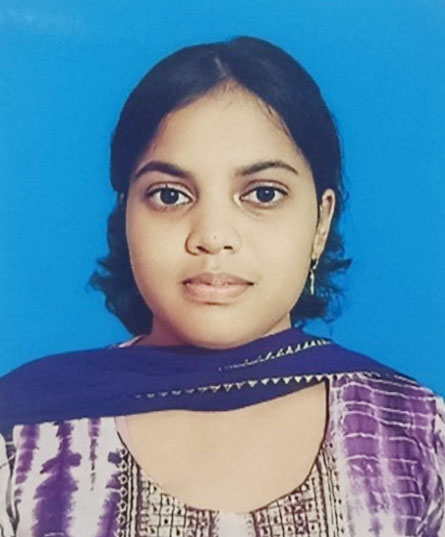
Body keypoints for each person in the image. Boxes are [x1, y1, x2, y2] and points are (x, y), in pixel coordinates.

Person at [0, 35, 443, 537]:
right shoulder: (22, 435)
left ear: (321, 223)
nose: (212, 236)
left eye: (263, 194)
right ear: (126, 216)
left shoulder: (416, 435)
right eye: (170, 195)